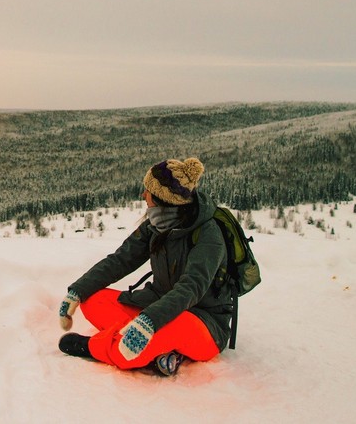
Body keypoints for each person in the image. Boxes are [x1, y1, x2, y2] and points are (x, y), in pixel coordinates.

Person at [57, 157, 233, 376]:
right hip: (158, 305)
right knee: (92, 300)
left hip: (201, 322)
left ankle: (96, 347)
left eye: (148, 191)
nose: (143, 195)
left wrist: (149, 321)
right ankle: (159, 352)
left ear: (162, 199)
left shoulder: (208, 234)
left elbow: (191, 287)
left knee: (129, 353)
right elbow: (121, 260)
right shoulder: (156, 225)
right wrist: (77, 290)